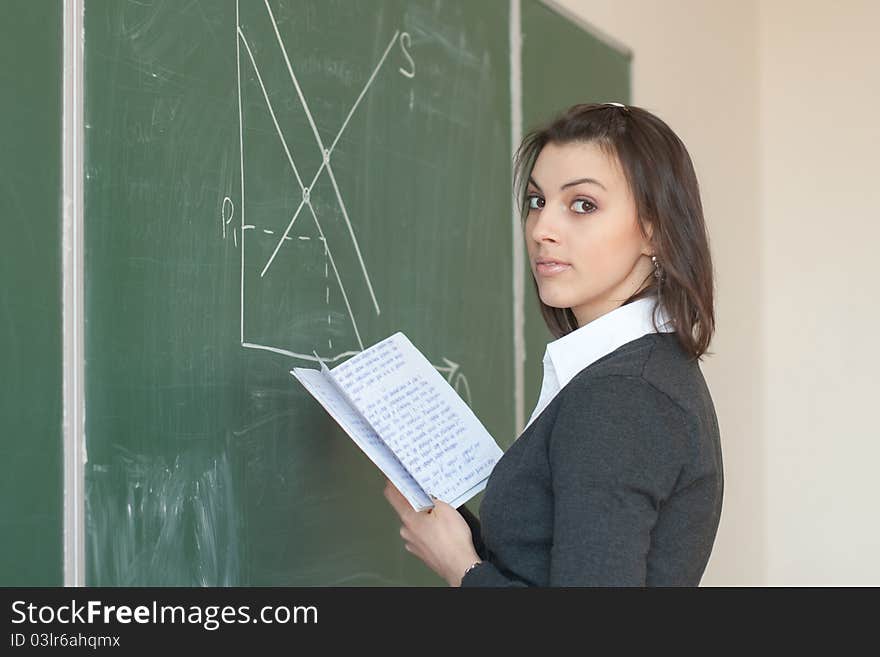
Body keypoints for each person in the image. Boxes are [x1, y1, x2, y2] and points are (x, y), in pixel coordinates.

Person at [383, 102, 723, 586]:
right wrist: (462, 539)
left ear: (654, 229)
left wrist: (462, 569)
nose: (542, 230)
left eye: (583, 205)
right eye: (538, 202)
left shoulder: (624, 396)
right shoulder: (639, 374)